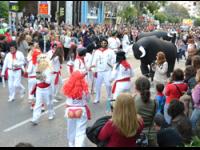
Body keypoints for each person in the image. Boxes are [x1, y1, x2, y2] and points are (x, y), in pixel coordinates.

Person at [62, 71, 91, 147]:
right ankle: (79, 145)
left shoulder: (68, 87)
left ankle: (71, 144)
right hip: (81, 110)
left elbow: (67, 100)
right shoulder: (84, 89)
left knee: (71, 129)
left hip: (69, 110)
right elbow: (88, 99)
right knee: (80, 132)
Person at [31, 54, 55, 125]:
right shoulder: (37, 68)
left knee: (49, 103)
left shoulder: (48, 69)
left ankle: (51, 113)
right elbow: (37, 79)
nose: (38, 62)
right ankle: (35, 118)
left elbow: (49, 81)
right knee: (38, 104)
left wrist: (43, 78)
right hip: (39, 89)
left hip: (47, 89)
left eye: (40, 61)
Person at [134, 76, 157, 146]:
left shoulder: (134, 101)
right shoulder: (154, 102)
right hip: (151, 134)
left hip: (137, 135)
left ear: (136, 88)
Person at [91, 38, 116, 104]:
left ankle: (109, 97)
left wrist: (111, 65)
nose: (103, 44)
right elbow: (94, 61)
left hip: (107, 70)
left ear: (107, 44)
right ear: (100, 44)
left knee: (108, 84)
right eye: (102, 43)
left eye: (105, 43)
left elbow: (114, 59)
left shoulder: (110, 51)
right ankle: (97, 98)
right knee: (97, 85)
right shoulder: (97, 51)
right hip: (98, 71)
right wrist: (94, 70)